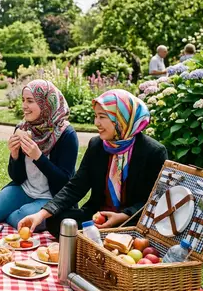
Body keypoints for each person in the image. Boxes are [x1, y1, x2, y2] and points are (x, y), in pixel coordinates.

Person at [18, 89, 167, 236]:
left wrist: (123, 216)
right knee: (56, 221)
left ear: (121, 118)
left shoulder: (153, 152)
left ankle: (102, 237)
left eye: (102, 117)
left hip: (132, 221)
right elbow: (76, 186)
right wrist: (41, 214)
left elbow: (154, 200)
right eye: (95, 116)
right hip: (97, 217)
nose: (96, 122)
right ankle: (97, 237)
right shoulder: (97, 145)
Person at [0, 79, 79, 229]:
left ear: (46, 103)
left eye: (30, 101)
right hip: (25, 190)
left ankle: (10, 210)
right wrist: (14, 156)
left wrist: (39, 158)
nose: (24, 106)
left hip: (52, 197)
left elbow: (65, 183)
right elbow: (17, 177)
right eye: (23, 100)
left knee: (20, 220)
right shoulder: (22, 128)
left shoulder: (66, 134)